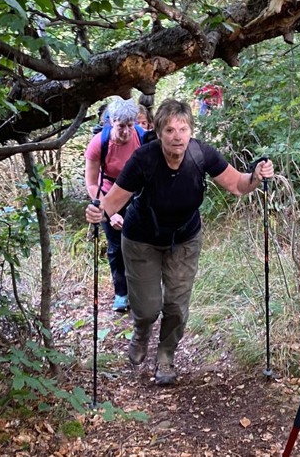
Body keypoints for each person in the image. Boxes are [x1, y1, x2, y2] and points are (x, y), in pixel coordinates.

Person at [86, 98, 274, 385]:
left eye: (183, 129)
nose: (177, 136)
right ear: (159, 132)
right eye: (170, 130)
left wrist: (257, 176)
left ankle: (165, 358)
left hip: (184, 239)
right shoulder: (144, 159)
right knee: (148, 308)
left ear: (190, 131)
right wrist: (97, 210)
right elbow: (112, 202)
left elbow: (238, 184)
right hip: (141, 239)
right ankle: (140, 333)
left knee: (176, 305)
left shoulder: (202, 155)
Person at [84, 98, 143, 312]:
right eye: (121, 126)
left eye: (130, 125)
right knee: (116, 246)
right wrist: (110, 212)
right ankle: (121, 293)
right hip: (108, 193)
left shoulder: (142, 137)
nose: (126, 131)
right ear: (111, 121)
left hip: (137, 194)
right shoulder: (99, 143)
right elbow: (91, 184)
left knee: (140, 243)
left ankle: (142, 290)